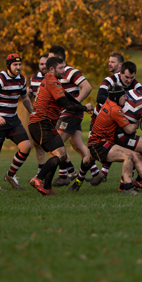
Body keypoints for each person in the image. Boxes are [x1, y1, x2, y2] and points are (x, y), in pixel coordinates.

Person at [68, 89, 142, 194]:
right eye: (124, 97)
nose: (126, 98)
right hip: (99, 143)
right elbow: (129, 129)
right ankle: (128, 188)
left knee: (89, 160)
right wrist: (136, 123)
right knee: (128, 155)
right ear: (116, 98)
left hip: (101, 141)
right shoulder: (115, 109)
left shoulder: (109, 102)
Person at [29, 56, 93, 195]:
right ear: (51, 69)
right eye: (61, 68)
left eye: (64, 67)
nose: (64, 70)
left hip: (41, 124)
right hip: (41, 124)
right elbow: (65, 103)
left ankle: (47, 187)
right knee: (61, 155)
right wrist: (84, 107)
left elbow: (67, 96)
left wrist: (82, 106)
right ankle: (38, 178)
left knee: (59, 155)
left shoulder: (50, 80)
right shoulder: (53, 82)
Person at [47, 45, 100, 187]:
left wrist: (74, 103)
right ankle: (96, 173)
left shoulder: (70, 71)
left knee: (54, 144)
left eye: (50, 57)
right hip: (69, 113)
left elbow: (87, 87)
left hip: (70, 114)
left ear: (59, 58)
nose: (48, 60)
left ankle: (65, 174)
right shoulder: (53, 75)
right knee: (77, 145)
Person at [0, 54, 34, 191]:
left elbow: (24, 98)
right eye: (15, 65)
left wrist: (33, 111)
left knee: (26, 146)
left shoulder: (22, 79)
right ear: (9, 66)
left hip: (13, 120)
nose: (18, 67)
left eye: (19, 64)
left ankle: (10, 175)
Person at [90, 61, 142, 185]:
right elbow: (99, 97)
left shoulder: (137, 85)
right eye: (126, 77)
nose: (129, 80)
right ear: (120, 73)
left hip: (122, 120)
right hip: (103, 119)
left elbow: (139, 103)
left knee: (127, 150)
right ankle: (80, 179)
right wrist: (116, 108)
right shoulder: (109, 80)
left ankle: (122, 182)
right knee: (89, 156)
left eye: (132, 77)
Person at [28, 52, 48, 176]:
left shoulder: (56, 77)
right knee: (38, 145)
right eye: (41, 64)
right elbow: (29, 93)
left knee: (54, 145)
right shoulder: (34, 78)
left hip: (51, 116)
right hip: (37, 116)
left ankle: (65, 172)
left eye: (46, 64)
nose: (43, 66)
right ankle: (41, 171)